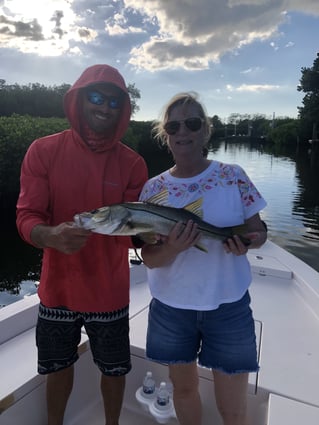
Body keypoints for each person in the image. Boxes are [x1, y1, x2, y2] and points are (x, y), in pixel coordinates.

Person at [16, 64, 148, 425]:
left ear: (123, 109)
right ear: (78, 99)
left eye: (113, 101)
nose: (104, 107)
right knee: (56, 368)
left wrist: (159, 238)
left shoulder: (133, 164)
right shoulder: (43, 151)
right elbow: (26, 216)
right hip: (57, 289)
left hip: (109, 292)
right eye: (95, 97)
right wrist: (50, 235)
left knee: (115, 369)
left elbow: (136, 235)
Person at [139, 92, 267, 425]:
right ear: (165, 134)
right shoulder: (152, 190)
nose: (183, 131)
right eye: (174, 125)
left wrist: (248, 243)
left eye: (192, 123)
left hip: (228, 306)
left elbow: (259, 232)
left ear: (205, 130)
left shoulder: (233, 175)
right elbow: (150, 258)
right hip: (171, 308)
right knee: (183, 392)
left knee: (234, 408)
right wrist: (174, 247)